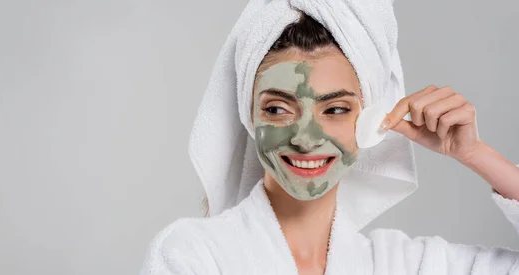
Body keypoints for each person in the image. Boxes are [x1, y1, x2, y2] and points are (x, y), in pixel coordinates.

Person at [140, 2, 519, 274]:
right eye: (277, 109)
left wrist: (473, 152)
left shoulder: (404, 264)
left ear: (369, 118)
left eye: (335, 109)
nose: (305, 139)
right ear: (249, 114)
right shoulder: (193, 255)